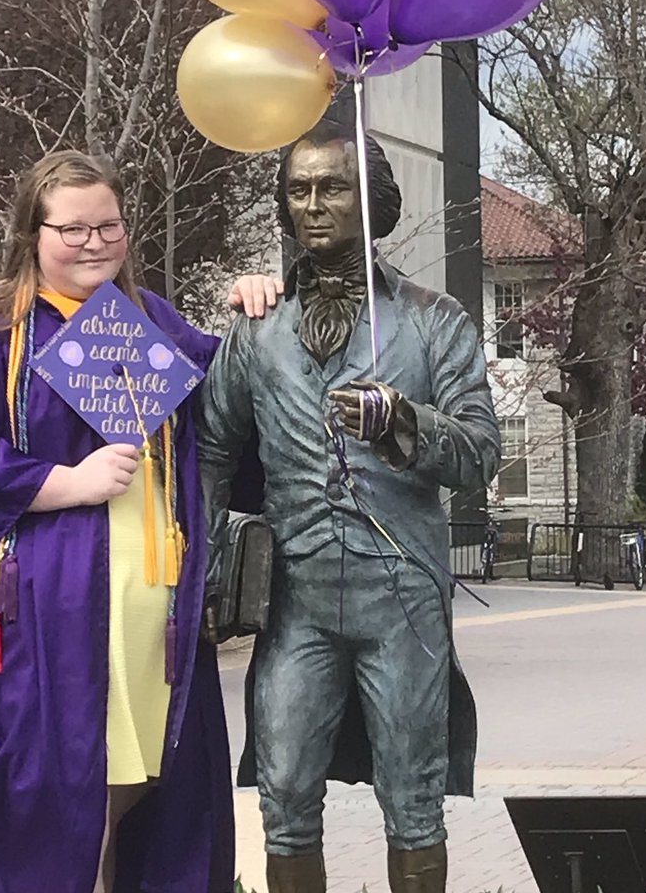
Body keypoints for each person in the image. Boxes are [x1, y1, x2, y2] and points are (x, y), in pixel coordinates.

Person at [0, 150, 270, 893]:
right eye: (73, 230)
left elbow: (236, 412)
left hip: (152, 623)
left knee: (143, 792)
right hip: (46, 626)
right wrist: (60, 482)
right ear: (32, 234)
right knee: (57, 801)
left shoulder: (150, 324)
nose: (94, 243)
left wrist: (255, 312)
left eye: (109, 226)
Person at [198, 119, 501, 893]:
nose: (312, 204)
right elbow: (211, 449)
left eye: (333, 187)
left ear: (373, 201)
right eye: (298, 190)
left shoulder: (434, 320)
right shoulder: (257, 328)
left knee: (415, 802)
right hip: (296, 601)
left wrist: (405, 421)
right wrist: (205, 560)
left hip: (401, 604)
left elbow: (480, 453)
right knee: (285, 797)